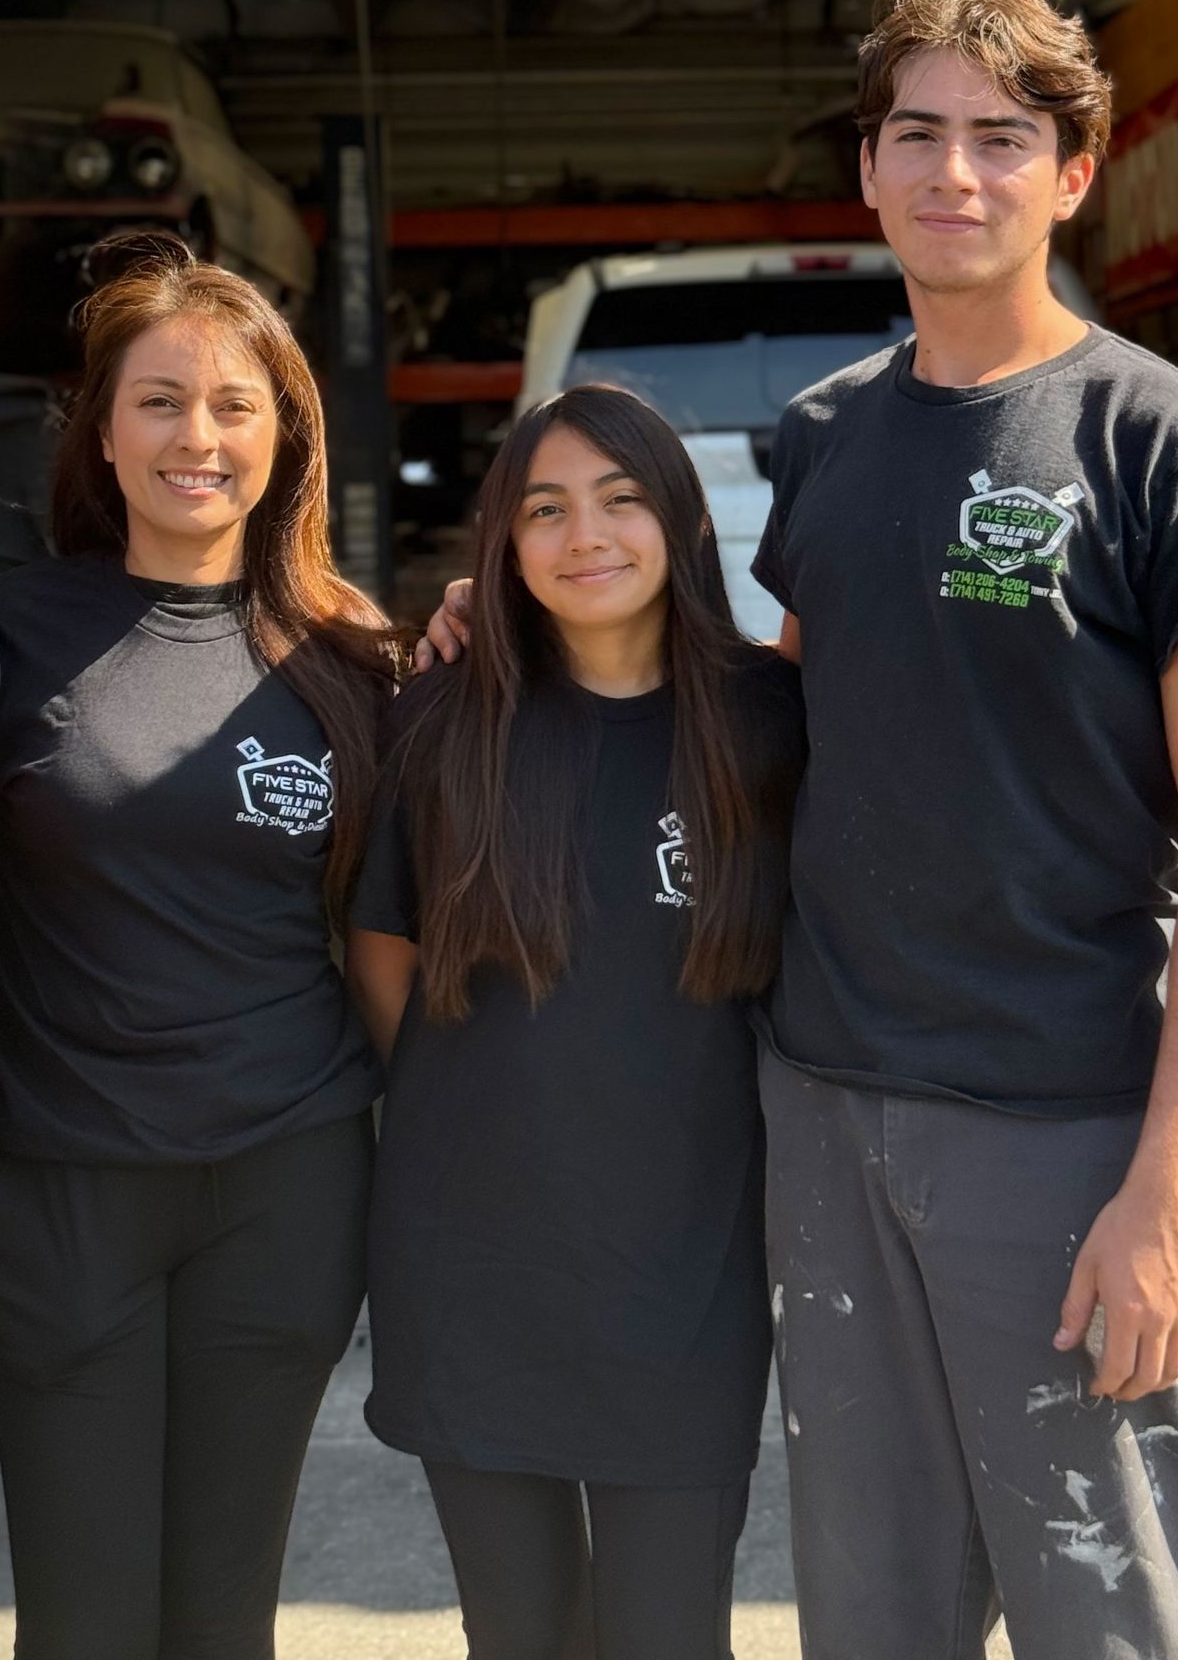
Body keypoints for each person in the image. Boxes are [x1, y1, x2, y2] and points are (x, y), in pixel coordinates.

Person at [423, 0, 1178, 1659]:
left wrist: (1173, 1190)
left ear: (1070, 175)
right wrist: (508, 635)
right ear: (872, 168)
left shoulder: (1167, 445)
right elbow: (770, 722)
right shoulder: (828, 437)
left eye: (999, 138)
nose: (953, 172)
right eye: (919, 134)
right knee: (872, 1619)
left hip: (1060, 1127)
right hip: (826, 1113)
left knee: (1103, 1611)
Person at [0, 231, 399, 1660]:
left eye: (232, 405)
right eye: (157, 400)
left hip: (284, 1190)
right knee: (82, 1625)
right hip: (67, 1192)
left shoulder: (351, 659)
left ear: (285, 437)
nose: (195, 438)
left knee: (224, 1623)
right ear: (100, 428)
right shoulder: (9, 634)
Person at [352, 382, 804, 1660]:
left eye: (619, 498)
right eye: (544, 508)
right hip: (476, 1271)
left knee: (671, 1634)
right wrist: (486, 1104)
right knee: (521, 1632)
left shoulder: (766, 728)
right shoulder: (442, 721)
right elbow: (382, 957)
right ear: (503, 540)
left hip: (686, 1279)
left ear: (680, 520)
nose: (584, 535)